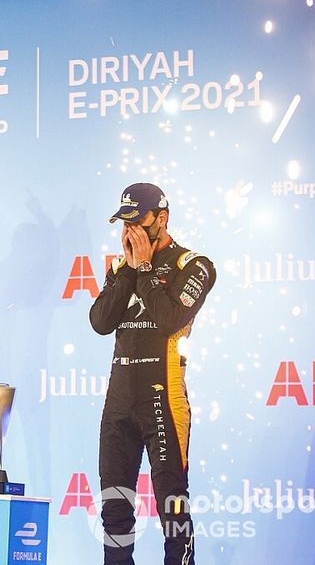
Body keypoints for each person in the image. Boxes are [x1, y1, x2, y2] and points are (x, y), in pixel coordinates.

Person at [89, 183, 216, 565]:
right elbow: (100, 322)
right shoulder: (120, 266)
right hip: (119, 401)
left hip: (162, 398)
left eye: (138, 223)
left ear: (162, 219)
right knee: (114, 512)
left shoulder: (194, 265)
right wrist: (129, 269)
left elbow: (169, 319)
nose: (130, 232)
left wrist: (144, 268)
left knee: (172, 509)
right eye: (124, 223)